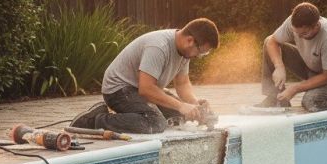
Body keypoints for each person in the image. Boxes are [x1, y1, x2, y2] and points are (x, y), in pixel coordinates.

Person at [71, 18, 220, 134]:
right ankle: (93, 120)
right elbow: (146, 89)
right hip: (118, 90)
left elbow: (182, 84)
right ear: (190, 41)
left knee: (181, 117)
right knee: (156, 123)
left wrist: (194, 105)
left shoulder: (184, 52)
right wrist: (181, 105)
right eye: (201, 52)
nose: (199, 56)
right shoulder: (159, 47)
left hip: (139, 90)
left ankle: (128, 115)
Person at [259, 2, 327, 111]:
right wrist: (279, 66)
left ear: (316, 25)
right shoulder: (292, 22)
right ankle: (275, 99)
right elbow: (272, 42)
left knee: (309, 101)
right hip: (312, 65)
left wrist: (295, 88)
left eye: (304, 34)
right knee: (268, 41)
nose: (299, 36)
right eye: (297, 33)